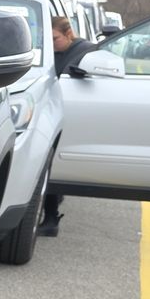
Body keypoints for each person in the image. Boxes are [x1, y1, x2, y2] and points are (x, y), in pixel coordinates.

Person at [42, 16, 94, 237]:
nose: (51, 43)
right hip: (48, 113)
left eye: (54, 38)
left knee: (52, 167)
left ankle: (51, 218)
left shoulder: (86, 52)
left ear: (68, 34)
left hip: (71, 116)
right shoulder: (47, 52)